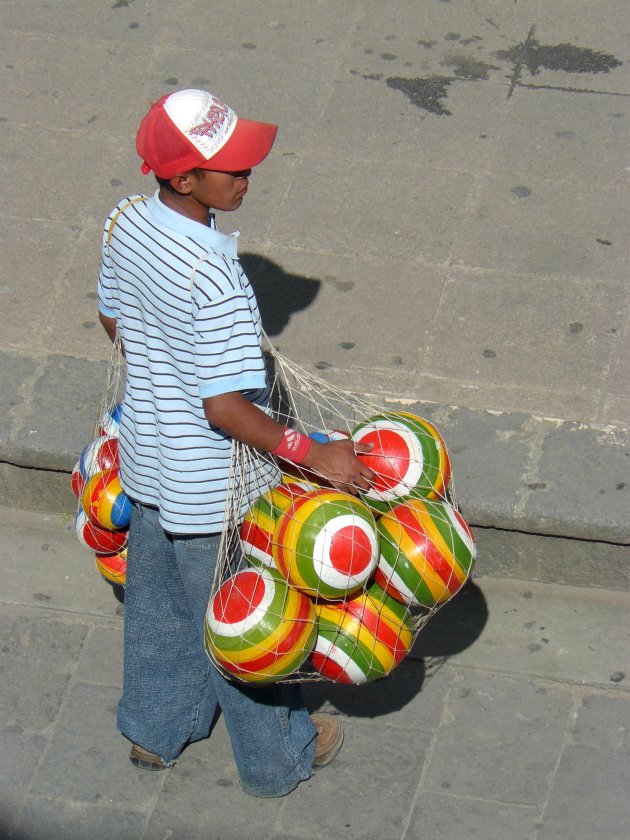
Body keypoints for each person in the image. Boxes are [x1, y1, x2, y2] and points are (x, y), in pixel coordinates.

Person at [97, 88, 374, 797]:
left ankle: (156, 731)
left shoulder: (126, 222)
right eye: (231, 169)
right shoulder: (212, 276)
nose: (247, 178)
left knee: (158, 611)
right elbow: (224, 408)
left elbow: (113, 319)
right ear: (184, 179)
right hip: (210, 488)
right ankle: (280, 756)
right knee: (248, 624)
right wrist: (314, 454)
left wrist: (162, 367)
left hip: (147, 462)